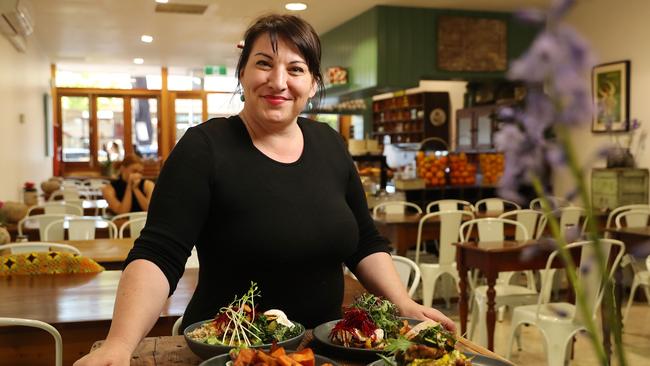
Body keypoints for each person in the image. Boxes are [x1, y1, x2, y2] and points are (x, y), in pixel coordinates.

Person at [75, 14, 454, 366]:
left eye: (295, 68)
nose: (278, 81)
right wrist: (120, 344)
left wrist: (404, 302)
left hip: (324, 349)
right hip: (230, 351)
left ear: (313, 83)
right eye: (263, 63)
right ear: (242, 73)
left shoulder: (330, 144)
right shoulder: (203, 148)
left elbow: (365, 241)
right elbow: (159, 254)